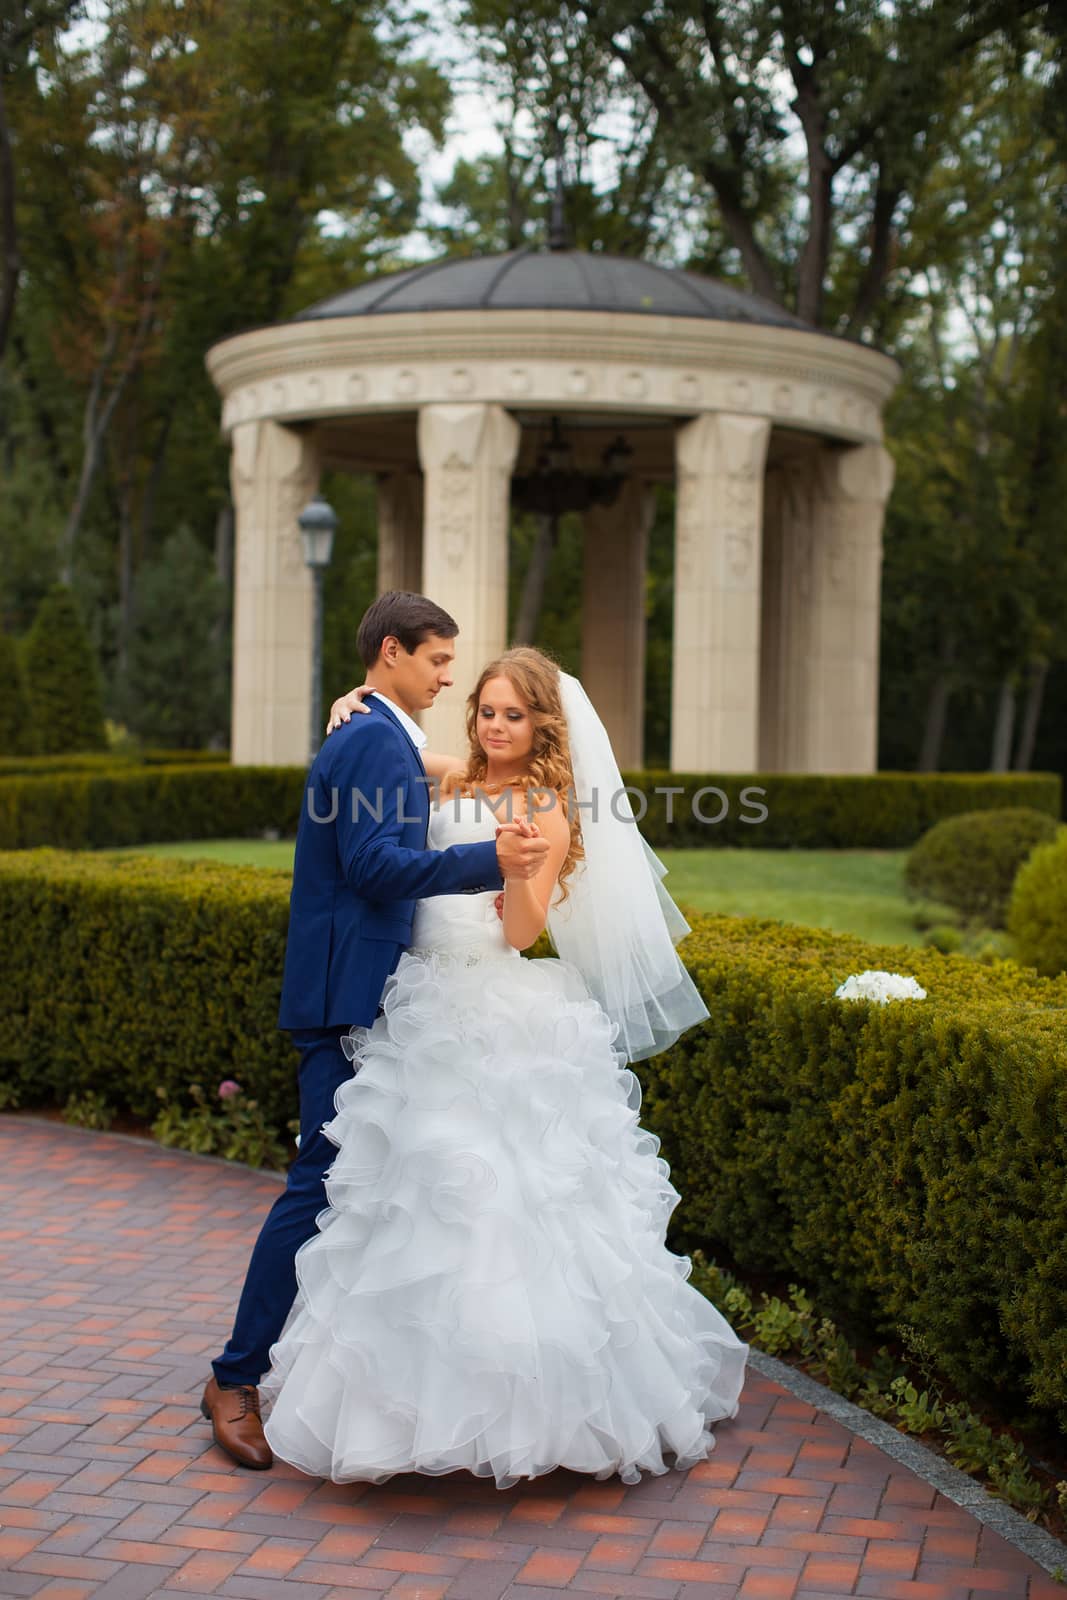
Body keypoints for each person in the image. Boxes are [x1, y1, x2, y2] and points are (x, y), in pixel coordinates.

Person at [258, 645, 749, 1488]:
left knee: (492, 1202)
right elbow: (398, 746)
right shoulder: (457, 779)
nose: (493, 726)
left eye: (512, 715)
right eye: (485, 710)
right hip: (414, 1003)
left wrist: (519, 868)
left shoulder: (547, 807)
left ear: (542, 726)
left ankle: (516, 1411)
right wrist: (352, 697)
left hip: (487, 1005)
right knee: (403, 1200)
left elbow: (522, 934)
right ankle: (399, 1404)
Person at [200, 594, 551, 1470]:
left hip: (374, 995)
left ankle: (346, 1379)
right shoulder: (367, 738)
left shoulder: (377, 734)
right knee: (319, 1181)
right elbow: (369, 866)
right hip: (340, 997)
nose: (447, 677)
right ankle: (234, 1378)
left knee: (365, 1189)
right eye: (437, 661)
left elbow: (436, 788)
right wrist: (487, 863)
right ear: (391, 652)